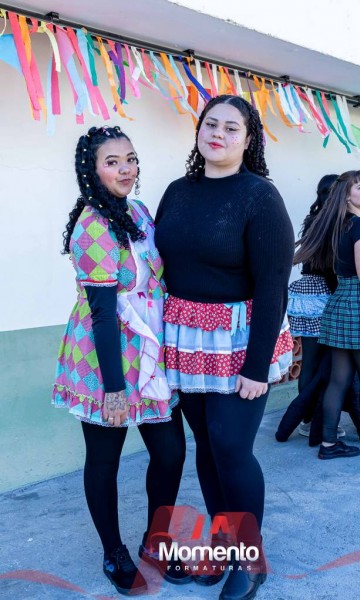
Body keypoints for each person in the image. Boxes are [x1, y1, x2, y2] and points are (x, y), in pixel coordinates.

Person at [155, 95, 294, 600]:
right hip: (187, 338)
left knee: (232, 448)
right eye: (210, 124)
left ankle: (250, 559)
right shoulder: (178, 191)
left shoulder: (260, 196)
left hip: (240, 341)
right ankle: (224, 542)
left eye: (231, 128)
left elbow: (273, 285)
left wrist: (256, 367)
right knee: (208, 448)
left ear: (248, 139)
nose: (218, 134)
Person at [52, 126, 190, 595]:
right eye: (112, 162)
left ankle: (157, 540)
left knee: (171, 451)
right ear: (91, 171)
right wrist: (114, 389)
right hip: (105, 354)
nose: (125, 169)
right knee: (104, 458)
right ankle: (113, 552)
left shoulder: (139, 212)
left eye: (130, 158)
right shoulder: (92, 224)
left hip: (148, 347)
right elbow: (103, 315)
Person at [294, 169, 360, 460]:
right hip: (359, 306)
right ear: (346, 195)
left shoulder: (339, 224)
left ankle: (328, 444)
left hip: (341, 302)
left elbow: (352, 270)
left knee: (338, 380)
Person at [286, 174, 346, 438]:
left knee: (311, 361)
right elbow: (331, 267)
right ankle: (316, 421)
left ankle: (308, 419)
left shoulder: (314, 219)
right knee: (326, 363)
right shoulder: (334, 223)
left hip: (307, 293)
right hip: (324, 293)